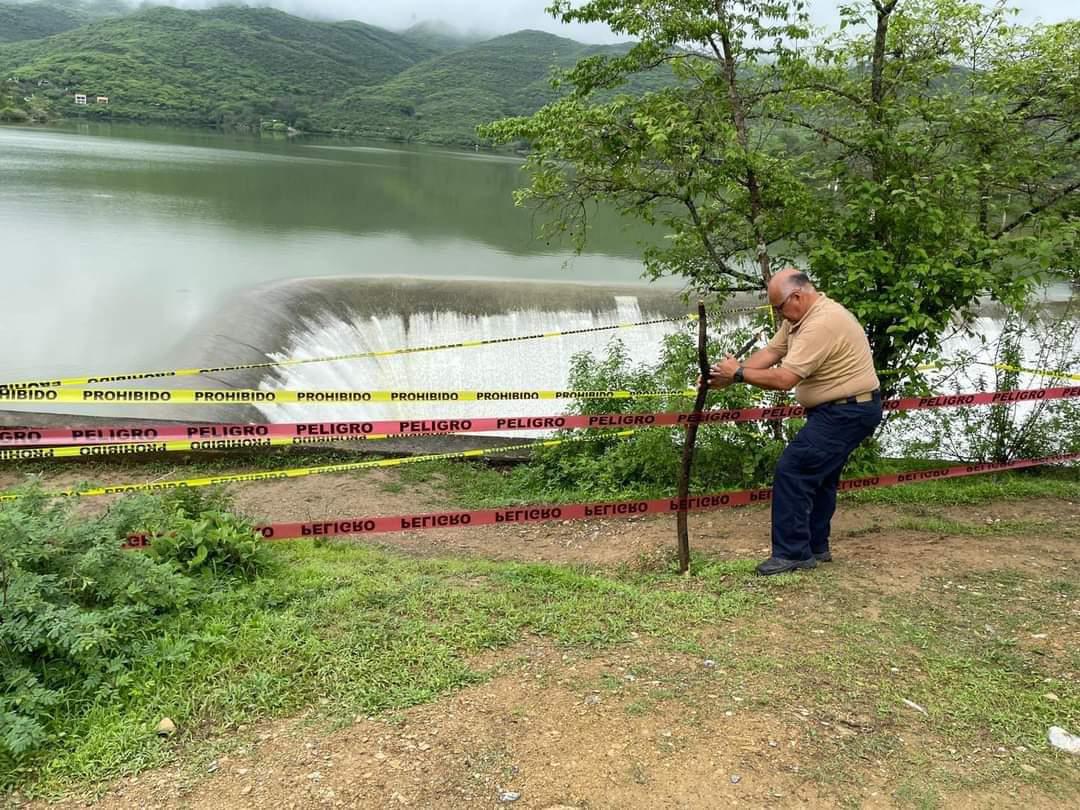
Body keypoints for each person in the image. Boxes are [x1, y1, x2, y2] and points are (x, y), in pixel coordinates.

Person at [708, 268, 882, 575]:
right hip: (842, 410)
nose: (778, 314)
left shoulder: (822, 323)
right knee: (819, 476)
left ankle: (792, 553)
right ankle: (816, 546)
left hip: (847, 411)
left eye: (779, 307)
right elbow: (774, 351)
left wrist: (738, 373)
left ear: (797, 297)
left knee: (794, 468)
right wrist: (726, 377)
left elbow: (785, 378)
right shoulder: (799, 319)